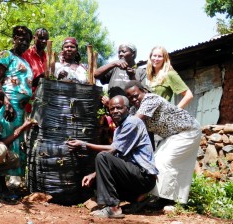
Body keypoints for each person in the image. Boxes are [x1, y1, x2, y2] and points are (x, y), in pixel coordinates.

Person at [67, 95, 158, 218]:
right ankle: (137, 198)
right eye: (112, 109)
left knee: (103, 157)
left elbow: (112, 150)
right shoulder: (119, 128)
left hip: (144, 177)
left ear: (127, 109)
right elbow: (118, 156)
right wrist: (94, 175)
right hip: (134, 176)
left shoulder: (132, 122)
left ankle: (113, 208)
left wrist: (84, 144)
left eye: (119, 108)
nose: (115, 111)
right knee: (96, 179)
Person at [125, 80, 201, 208]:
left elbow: (133, 124)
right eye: (130, 97)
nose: (133, 99)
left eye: (136, 95)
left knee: (164, 161)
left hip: (188, 130)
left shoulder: (151, 99)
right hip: (172, 135)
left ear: (143, 91)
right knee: (155, 162)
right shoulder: (135, 109)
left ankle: (166, 200)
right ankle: (168, 199)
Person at [0, 25, 33, 187]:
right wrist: (6, 102)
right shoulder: (6, 55)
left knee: (16, 142)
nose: (24, 43)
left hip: (20, 109)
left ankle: (9, 184)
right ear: (14, 39)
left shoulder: (24, 60)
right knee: (4, 141)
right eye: (21, 39)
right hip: (7, 106)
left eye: (27, 41)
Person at [94, 43, 147, 107]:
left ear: (133, 53)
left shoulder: (141, 71)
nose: (120, 54)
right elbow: (96, 75)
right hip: (113, 110)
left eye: (123, 52)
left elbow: (144, 93)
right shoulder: (114, 69)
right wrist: (114, 63)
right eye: (119, 52)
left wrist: (132, 76)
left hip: (133, 110)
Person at [22, 27, 49, 94]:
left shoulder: (48, 58)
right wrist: (39, 79)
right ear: (34, 38)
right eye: (41, 38)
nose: (44, 41)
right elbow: (20, 80)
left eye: (46, 39)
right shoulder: (25, 54)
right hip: (27, 98)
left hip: (44, 99)